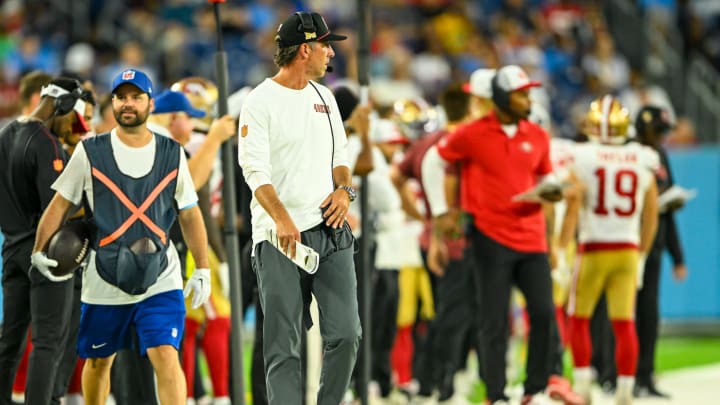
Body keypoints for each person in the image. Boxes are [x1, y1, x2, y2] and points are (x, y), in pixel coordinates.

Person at [29, 69, 212, 405]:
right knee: (99, 361)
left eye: (136, 96)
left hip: (161, 274)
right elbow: (60, 206)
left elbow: (190, 212)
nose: (128, 103)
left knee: (166, 355)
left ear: (150, 103)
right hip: (104, 278)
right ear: (112, 103)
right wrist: (39, 249)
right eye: (121, 97)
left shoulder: (172, 152)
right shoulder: (89, 152)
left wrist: (203, 268)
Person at [237, 11, 361, 405]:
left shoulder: (325, 97)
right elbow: (254, 170)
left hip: (331, 229)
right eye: (326, 46)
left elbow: (340, 157)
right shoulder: (259, 101)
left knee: (346, 333)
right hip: (279, 238)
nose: (331, 54)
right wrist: (281, 218)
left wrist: (344, 190)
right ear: (305, 49)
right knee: (283, 345)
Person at [436, 65, 562, 405]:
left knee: (544, 313)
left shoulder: (537, 135)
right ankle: (496, 394)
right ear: (503, 97)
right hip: (490, 237)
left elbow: (546, 181)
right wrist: (446, 210)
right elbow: (439, 163)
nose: (528, 98)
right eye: (521, 93)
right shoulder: (471, 133)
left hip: (532, 235)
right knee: (493, 320)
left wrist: (551, 236)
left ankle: (534, 389)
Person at [560, 96, 659, 405]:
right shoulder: (643, 157)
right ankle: (626, 390)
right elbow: (652, 213)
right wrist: (642, 252)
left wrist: (563, 242)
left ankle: (584, 386)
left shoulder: (580, 155)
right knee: (624, 322)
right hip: (627, 249)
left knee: (579, 319)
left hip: (593, 247)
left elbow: (573, 199)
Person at [0, 76, 89, 405]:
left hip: (10, 250)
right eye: (74, 115)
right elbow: (58, 207)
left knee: (10, 339)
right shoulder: (46, 143)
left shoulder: (6, 133)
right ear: (63, 106)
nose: (75, 125)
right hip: (46, 253)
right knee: (49, 342)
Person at [633, 105, 687, 398]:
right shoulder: (628, 154)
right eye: (659, 131)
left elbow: (667, 211)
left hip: (652, 245)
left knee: (648, 313)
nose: (662, 137)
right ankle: (613, 373)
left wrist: (677, 256)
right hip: (627, 244)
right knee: (618, 313)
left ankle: (645, 374)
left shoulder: (660, 156)